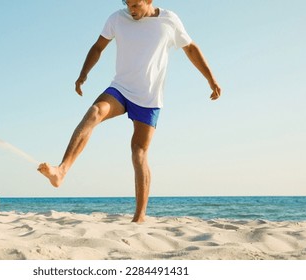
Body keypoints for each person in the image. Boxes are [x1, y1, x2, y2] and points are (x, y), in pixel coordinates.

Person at [38, 0, 221, 223]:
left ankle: (139, 217)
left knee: (139, 152)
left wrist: (211, 79)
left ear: (149, 1)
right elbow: (98, 47)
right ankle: (62, 170)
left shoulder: (169, 20)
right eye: (128, 4)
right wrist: (83, 74)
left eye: (136, 5)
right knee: (95, 111)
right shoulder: (117, 18)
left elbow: (191, 49)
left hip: (149, 98)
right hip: (121, 89)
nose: (131, 10)